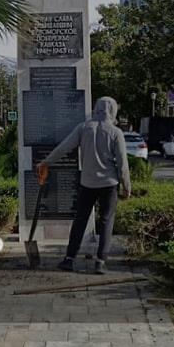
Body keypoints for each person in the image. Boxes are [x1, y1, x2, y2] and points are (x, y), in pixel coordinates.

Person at [37, 96, 131, 274]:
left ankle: (69, 259)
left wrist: (46, 162)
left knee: (80, 220)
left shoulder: (83, 128)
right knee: (106, 222)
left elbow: (64, 148)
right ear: (113, 110)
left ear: (96, 108)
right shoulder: (115, 132)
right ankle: (100, 262)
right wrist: (127, 186)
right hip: (109, 184)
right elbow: (122, 164)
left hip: (87, 183)